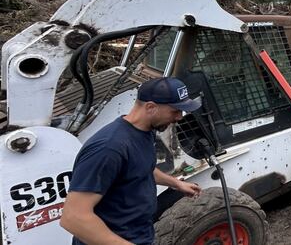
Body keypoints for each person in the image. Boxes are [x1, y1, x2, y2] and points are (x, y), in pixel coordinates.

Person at [61, 77, 203, 245]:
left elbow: (142, 167)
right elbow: (73, 217)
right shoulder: (109, 148)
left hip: (138, 235)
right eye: (175, 111)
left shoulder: (145, 131)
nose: (180, 117)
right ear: (150, 107)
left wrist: (176, 184)